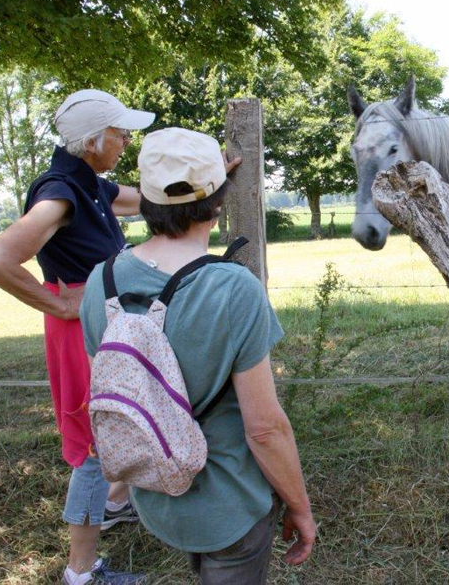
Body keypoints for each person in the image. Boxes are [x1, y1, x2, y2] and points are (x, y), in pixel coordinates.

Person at [79, 127, 316, 584]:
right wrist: (301, 508)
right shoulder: (233, 288)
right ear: (218, 201)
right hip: (230, 507)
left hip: (158, 499)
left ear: (144, 199)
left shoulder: (100, 282)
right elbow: (265, 428)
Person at [0, 89, 158, 584]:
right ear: (93, 139)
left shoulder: (91, 186)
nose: (125, 140)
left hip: (101, 322)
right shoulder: (60, 193)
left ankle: (116, 503)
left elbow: (149, 200)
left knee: (120, 417)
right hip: (80, 331)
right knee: (94, 443)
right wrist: (60, 304)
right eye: (120, 132)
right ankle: (81, 573)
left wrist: (206, 177)